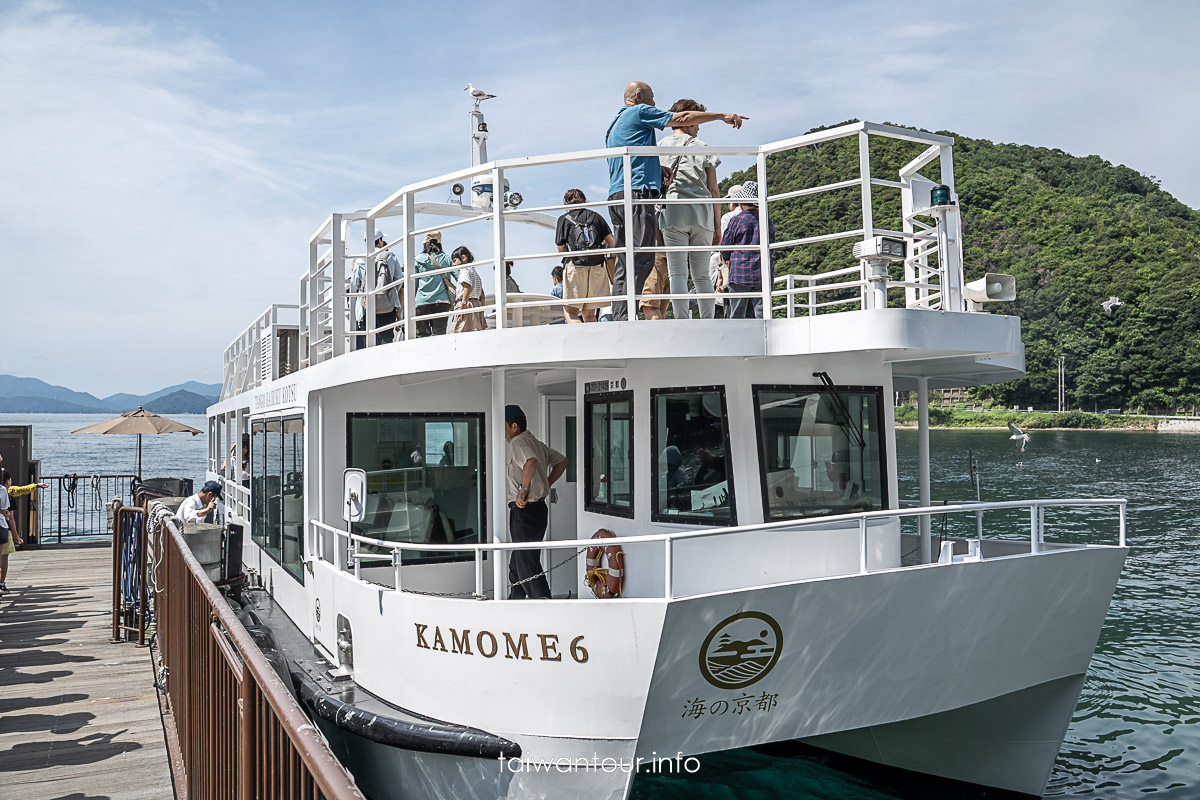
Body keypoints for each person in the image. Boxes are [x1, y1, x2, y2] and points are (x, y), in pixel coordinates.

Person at [604, 81, 748, 320]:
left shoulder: (615, 123)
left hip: (619, 196)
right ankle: (624, 318)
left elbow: (630, 159)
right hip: (640, 196)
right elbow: (681, 118)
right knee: (643, 257)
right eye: (652, 97)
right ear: (639, 95)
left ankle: (622, 314)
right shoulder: (639, 111)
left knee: (629, 260)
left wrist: (656, 167)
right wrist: (723, 115)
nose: (655, 103)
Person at [659, 99, 722, 320]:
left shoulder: (659, 146)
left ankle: (681, 320)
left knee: (677, 273)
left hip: (673, 212)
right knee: (702, 275)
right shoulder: (703, 147)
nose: (697, 129)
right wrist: (717, 227)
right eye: (697, 123)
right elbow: (714, 190)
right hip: (702, 214)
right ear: (688, 120)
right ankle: (708, 321)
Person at [504, 404, 568, 600]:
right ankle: (514, 603)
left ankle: (544, 605)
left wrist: (523, 491)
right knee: (518, 563)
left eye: (504, 426)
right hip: (538, 509)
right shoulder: (535, 442)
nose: (504, 432)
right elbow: (562, 461)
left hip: (525, 510)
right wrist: (545, 484)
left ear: (514, 426)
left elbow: (531, 462)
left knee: (527, 565)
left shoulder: (518, 442)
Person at [555, 188, 614, 323]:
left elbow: (561, 249)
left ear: (566, 203)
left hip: (576, 266)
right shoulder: (596, 217)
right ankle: (594, 342)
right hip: (597, 266)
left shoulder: (563, 219)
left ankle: (581, 342)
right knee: (589, 314)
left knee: (570, 312)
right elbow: (612, 242)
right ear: (585, 200)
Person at [719, 181, 776, 319]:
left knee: (737, 314)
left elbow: (725, 246)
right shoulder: (767, 220)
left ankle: (737, 340)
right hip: (762, 272)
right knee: (762, 314)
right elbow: (771, 245)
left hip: (740, 273)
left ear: (741, 202)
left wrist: (726, 258)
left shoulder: (736, 220)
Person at [350, 232, 401, 347]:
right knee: (386, 338)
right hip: (388, 305)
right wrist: (389, 293)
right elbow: (399, 278)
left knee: (368, 339)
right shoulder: (391, 257)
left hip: (366, 306)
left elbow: (355, 283)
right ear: (379, 241)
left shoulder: (359, 260)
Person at [0, 471, 46, 593]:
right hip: (3, 530)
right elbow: (11, 518)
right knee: (3, 558)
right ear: (8, 481)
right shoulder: (6, 493)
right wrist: (15, 536)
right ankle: (1, 584)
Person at [711, 184, 744, 318]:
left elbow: (723, 246)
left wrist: (720, 275)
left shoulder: (728, 217)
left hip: (731, 265)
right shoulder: (756, 215)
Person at [413, 232, 454, 337]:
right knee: (439, 335)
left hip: (422, 301)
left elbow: (415, 283)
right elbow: (458, 276)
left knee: (421, 335)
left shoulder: (417, 259)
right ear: (439, 243)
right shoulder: (446, 258)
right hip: (442, 300)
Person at [450, 246, 486, 334]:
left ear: (463, 258)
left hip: (467, 303)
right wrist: (482, 308)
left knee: (458, 331)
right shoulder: (474, 272)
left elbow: (467, 286)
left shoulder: (464, 270)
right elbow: (482, 294)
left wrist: (463, 304)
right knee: (475, 333)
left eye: (455, 260)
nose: (454, 264)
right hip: (476, 304)